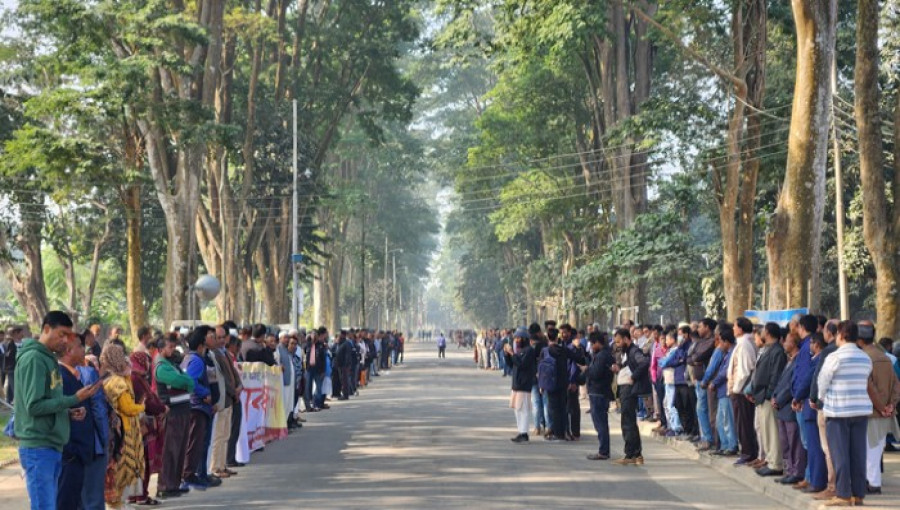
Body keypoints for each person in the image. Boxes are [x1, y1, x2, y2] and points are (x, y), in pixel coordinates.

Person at [15, 311, 100, 510]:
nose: (65, 340)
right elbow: (34, 405)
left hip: (51, 445)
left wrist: (67, 412)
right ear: (46, 329)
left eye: (68, 336)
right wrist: (73, 399)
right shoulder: (34, 358)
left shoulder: (48, 358)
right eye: (61, 334)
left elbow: (47, 401)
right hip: (38, 446)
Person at [817, 321, 873, 507]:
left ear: (840, 335)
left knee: (840, 455)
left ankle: (843, 494)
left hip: (838, 411)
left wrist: (822, 398)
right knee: (858, 454)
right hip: (861, 410)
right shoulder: (865, 358)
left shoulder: (835, 357)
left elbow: (823, 382)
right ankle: (858, 494)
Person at [856, 321, 900, 495]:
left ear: (859, 339)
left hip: (871, 411)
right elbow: (897, 385)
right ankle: (872, 481)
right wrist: (891, 405)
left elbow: (869, 386)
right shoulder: (886, 357)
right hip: (885, 413)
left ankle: (873, 483)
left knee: (869, 449)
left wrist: (882, 407)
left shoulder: (864, 358)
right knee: (877, 447)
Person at [100, 343, 146, 509]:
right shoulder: (119, 383)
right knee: (122, 472)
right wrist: (142, 407)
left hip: (119, 431)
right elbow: (127, 408)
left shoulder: (111, 380)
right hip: (125, 433)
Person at [155, 334, 195, 499]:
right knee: (170, 450)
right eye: (170, 347)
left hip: (183, 411)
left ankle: (174, 484)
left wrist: (186, 380)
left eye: (173, 347)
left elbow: (188, 380)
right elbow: (179, 381)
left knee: (180, 449)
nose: (173, 350)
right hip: (172, 412)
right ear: (161, 349)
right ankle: (165, 486)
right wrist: (186, 380)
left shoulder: (172, 364)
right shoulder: (161, 367)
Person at [57, 332, 94, 510]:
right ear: (69, 351)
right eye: (80, 346)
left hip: (77, 452)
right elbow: (58, 412)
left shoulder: (74, 375)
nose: (84, 350)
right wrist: (72, 450)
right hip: (70, 453)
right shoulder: (60, 377)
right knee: (65, 502)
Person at [128, 350, 167, 506]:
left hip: (134, 426)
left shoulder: (135, 377)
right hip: (141, 426)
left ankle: (134, 495)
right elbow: (148, 402)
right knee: (143, 462)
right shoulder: (136, 379)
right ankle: (141, 496)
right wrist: (162, 409)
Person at [182, 326, 218, 490]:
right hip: (198, 406)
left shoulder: (189, 358)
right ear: (200, 345)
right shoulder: (196, 360)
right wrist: (205, 393)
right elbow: (191, 381)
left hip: (197, 406)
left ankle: (200, 473)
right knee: (198, 443)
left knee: (200, 443)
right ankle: (194, 474)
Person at [750, 322, 787, 477]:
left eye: (764, 331)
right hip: (760, 395)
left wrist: (769, 393)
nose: (762, 333)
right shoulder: (768, 349)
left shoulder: (777, 351)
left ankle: (776, 464)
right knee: (765, 430)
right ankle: (769, 460)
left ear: (769, 333)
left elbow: (775, 375)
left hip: (767, 396)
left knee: (771, 431)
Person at [612, 328, 651, 465]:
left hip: (629, 390)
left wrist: (634, 377)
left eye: (618, 341)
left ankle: (630, 454)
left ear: (626, 339)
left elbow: (644, 362)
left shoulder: (634, 351)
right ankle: (636, 454)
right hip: (625, 389)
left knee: (627, 422)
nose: (617, 344)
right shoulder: (626, 353)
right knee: (629, 422)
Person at [773, 332, 806, 485]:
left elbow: (789, 386)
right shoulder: (789, 360)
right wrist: (774, 396)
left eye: (786, 341)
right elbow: (781, 382)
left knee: (794, 442)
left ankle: (796, 471)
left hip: (788, 407)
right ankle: (789, 470)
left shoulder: (798, 360)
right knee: (785, 442)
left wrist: (779, 399)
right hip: (781, 408)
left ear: (793, 343)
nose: (784, 343)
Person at [728, 317, 759, 466]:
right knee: (741, 423)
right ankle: (747, 451)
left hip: (741, 391)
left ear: (740, 328)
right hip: (738, 390)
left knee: (744, 423)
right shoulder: (741, 343)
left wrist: (736, 388)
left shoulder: (745, 344)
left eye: (734, 326)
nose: (733, 329)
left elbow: (745, 370)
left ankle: (748, 453)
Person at [584, 331, 614, 460]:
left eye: (592, 343)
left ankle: (603, 451)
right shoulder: (600, 355)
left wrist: (586, 370)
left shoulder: (602, 356)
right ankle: (603, 449)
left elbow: (596, 373)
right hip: (598, 391)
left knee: (600, 423)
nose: (591, 346)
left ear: (597, 343)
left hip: (599, 392)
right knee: (599, 423)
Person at [688, 319, 717, 450]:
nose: (698, 329)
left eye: (700, 327)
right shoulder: (700, 342)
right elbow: (690, 358)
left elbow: (699, 356)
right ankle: (705, 437)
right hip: (699, 380)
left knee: (705, 410)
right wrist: (694, 359)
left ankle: (709, 439)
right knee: (701, 410)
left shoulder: (712, 342)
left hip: (707, 380)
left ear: (707, 327)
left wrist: (695, 358)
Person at [710, 324, 738, 456]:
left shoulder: (732, 353)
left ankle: (731, 445)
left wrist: (714, 382)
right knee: (721, 420)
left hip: (726, 390)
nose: (719, 344)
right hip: (722, 391)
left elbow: (725, 372)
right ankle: (725, 444)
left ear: (727, 341)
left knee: (727, 420)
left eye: (721, 341)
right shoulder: (727, 353)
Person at [504, 328, 536, 443]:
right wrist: (507, 354)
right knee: (517, 409)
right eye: (515, 338)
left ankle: (524, 432)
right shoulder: (520, 350)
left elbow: (522, 364)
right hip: (516, 383)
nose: (516, 340)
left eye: (518, 338)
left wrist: (512, 353)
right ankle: (520, 430)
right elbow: (511, 364)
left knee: (523, 409)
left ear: (524, 339)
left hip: (524, 383)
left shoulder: (529, 351)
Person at [1, 326, 19, 402]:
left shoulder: (4, 345)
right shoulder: (8, 344)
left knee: (9, 385)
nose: (2, 337)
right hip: (3, 368)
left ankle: (8, 399)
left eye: (2, 335)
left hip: (6, 367)